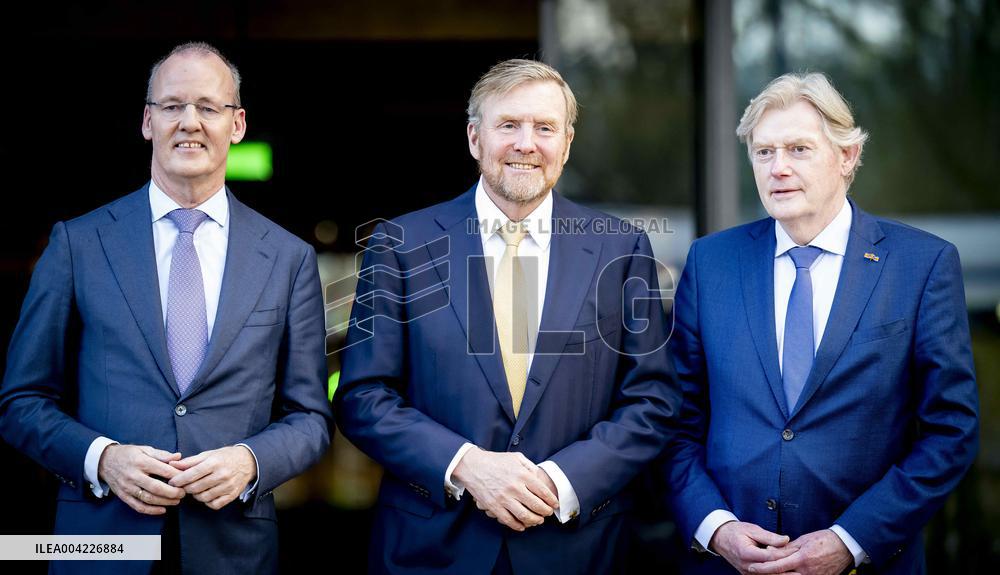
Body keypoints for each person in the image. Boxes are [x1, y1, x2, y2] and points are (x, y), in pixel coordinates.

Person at [334, 58, 680, 574]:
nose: (526, 143)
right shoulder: (401, 245)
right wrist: (466, 466)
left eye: (545, 128)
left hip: (579, 550)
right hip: (431, 551)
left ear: (567, 143)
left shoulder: (620, 248)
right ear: (475, 138)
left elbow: (652, 400)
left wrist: (561, 481)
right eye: (509, 125)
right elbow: (362, 396)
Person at [0, 42, 332, 574]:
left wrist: (250, 461)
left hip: (233, 551)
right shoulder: (78, 245)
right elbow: (22, 402)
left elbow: (311, 417)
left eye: (208, 107)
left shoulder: (288, 258)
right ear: (147, 121)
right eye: (172, 105)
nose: (189, 122)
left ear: (238, 124)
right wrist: (102, 458)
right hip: (102, 546)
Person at [662, 72, 979, 574]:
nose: (778, 168)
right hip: (728, 565)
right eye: (764, 152)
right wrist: (715, 528)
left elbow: (951, 432)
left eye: (798, 149)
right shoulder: (711, 263)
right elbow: (675, 422)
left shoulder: (921, 265)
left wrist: (851, 541)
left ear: (847, 156)